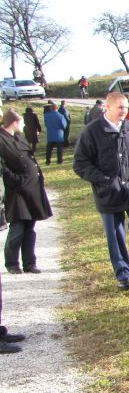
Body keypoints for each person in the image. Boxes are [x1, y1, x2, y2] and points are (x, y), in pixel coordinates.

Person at [74, 92, 129, 289]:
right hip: (108, 192)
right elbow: (80, 163)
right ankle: (123, 275)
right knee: (115, 234)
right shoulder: (91, 132)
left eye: (126, 108)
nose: (124, 111)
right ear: (108, 108)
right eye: (120, 107)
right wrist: (103, 180)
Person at [0, 108, 52, 275]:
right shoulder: (1, 140)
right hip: (17, 191)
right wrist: (17, 180)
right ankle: (12, 263)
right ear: (14, 122)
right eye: (21, 122)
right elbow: (2, 167)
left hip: (32, 189)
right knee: (17, 227)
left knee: (30, 227)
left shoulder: (18, 139)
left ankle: (30, 263)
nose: (23, 125)